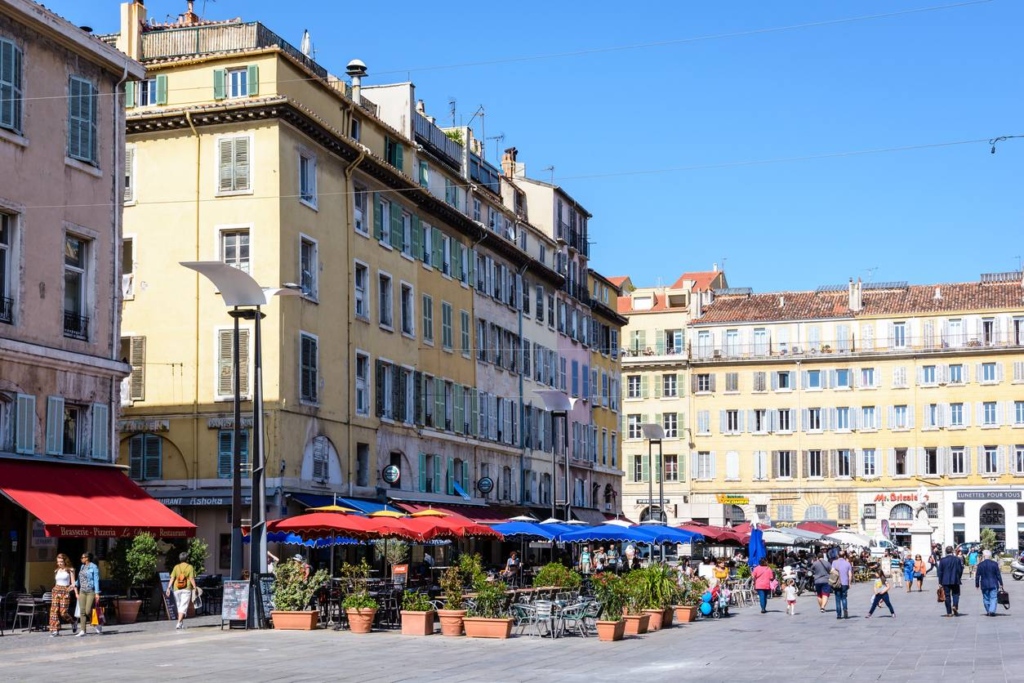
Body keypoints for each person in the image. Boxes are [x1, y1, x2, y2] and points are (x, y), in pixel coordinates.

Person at [167, 551, 198, 630]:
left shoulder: (176, 567)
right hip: (186, 588)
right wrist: (195, 587)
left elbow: (172, 578)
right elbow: (191, 578)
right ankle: (178, 623)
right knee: (183, 606)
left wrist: (168, 588)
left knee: (179, 606)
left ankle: (181, 623)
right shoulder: (190, 567)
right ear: (187, 559)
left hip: (176, 588)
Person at [49, 553, 76, 636]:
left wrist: (71, 589)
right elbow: (56, 581)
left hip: (65, 591)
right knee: (54, 611)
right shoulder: (56, 570)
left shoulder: (70, 570)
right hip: (56, 590)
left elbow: (73, 583)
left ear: (65, 561)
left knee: (63, 612)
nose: (59, 563)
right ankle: (55, 630)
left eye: (61, 561)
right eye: (58, 562)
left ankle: (73, 622)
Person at [75, 552, 101, 636]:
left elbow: (96, 580)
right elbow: (79, 579)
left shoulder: (94, 567)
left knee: (88, 610)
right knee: (82, 611)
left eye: (82, 557)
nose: (81, 559)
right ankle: (83, 630)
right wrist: (74, 585)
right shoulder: (82, 567)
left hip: (90, 591)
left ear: (87, 558)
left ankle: (95, 623)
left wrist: (97, 593)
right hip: (82, 591)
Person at [937, 545, 964, 617]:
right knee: (956, 594)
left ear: (946, 552)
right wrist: (959, 577)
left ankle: (949, 612)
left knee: (947, 596)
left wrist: (940, 582)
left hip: (945, 580)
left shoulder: (942, 560)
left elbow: (940, 572)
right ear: (952, 551)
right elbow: (960, 570)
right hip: (955, 579)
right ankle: (955, 605)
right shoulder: (957, 559)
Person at [975, 549, 1004, 616]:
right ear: (990, 556)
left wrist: (977, 584)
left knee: (986, 598)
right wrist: (1001, 583)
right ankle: (992, 611)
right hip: (993, 583)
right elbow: (998, 574)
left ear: (984, 556)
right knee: (993, 597)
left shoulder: (980, 565)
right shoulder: (994, 564)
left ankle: (989, 610)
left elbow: (977, 576)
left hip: (984, 584)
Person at [831, 550, 853, 620]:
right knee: (844, 597)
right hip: (845, 583)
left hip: (837, 583)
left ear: (838, 555)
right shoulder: (848, 563)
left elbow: (832, 572)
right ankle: (845, 610)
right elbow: (850, 574)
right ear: (844, 556)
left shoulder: (834, 562)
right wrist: (849, 583)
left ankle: (839, 615)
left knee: (837, 599)